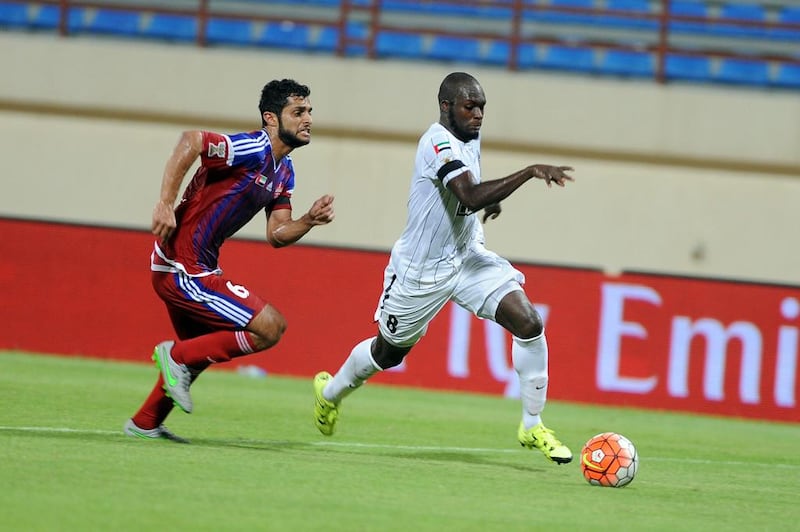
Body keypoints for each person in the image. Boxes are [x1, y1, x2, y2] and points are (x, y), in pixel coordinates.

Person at [313, 72, 575, 464]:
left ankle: (532, 424)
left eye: (483, 107)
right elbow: (467, 195)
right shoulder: (436, 141)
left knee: (529, 323)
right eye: (470, 107)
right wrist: (528, 171)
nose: (479, 114)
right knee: (388, 354)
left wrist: (490, 200)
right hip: (422, 269)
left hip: (467, 255)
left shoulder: (470, 135)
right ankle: (329, 394)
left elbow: (467, 191)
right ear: (446, 106)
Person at [124, 79, 335, 443]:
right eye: (298, 112)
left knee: (205, 348)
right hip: (181, 266)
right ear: (271, 118)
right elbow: (192, 140)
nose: (308, 120)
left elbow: (277, 234)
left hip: (194, 267)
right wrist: (164, 202)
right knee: (270, 327)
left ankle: (145, 422)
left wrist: (308, 221)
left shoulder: (284, 172)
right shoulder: (252, 147)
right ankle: (173, 355)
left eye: (309, 112)